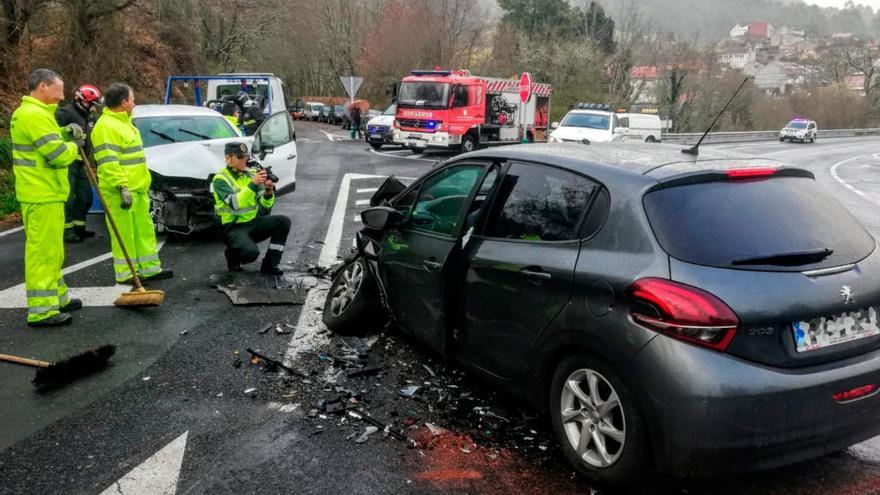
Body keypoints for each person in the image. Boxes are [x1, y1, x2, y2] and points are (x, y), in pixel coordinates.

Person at [10, 69, 83, 327]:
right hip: (41, 193)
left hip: (45, 192)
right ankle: (42, 310)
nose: (63, 95)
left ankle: (57, 298)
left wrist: (65, 134)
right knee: (43, 254)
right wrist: (75, 145)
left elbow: (47, 144)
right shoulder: (34, 115)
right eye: (59, 88)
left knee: (53, 251)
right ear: (43, 87)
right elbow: (57, 155)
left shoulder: (39, 115)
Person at [91, 83, 173, 284]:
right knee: (124, 235)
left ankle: (149, 268)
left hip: (138, 189)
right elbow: (109, 162)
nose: (134, 103)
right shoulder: (106, 127)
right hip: (121, 192)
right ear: (123, 102)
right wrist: (122, 186)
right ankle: (127, 273)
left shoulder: (125, 123)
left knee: (143, 231)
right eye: (132, 99)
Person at [213, 142, 290, 275]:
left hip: (253, 222)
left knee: (283, 222)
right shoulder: (220, 179)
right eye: (240, 157)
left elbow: (265, 205)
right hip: (233, 227)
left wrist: (268, 191)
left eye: (245, 156)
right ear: (228, 158)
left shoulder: (250, 174)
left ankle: (270, 265)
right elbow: (235, 203)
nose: (244, 160)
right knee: (251, 254)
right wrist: (252, 184)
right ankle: (233, 255)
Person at [56, 84, 103, 243]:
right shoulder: (64, 114)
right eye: (91, 104)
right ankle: (67, 231)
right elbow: (51, 134)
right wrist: (65, 131)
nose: (93, 109)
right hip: (66, 163)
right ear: (80, 100)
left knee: (86, 196)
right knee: (68, 199)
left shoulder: (88, 116)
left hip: (81, 163)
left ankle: (79, 228)